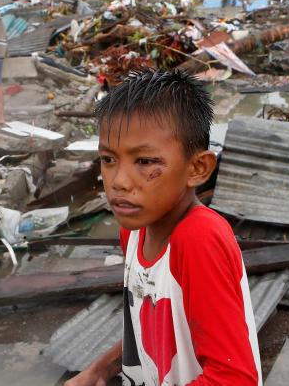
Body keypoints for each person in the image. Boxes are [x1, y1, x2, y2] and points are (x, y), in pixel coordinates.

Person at [66, 69, 261, 386]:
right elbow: (150, 328)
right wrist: (99, 370)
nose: (119, 182)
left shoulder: (198, 238)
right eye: (108, 159)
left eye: (144, 162)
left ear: (197, 168)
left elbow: (235, 378)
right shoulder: (133, 231)